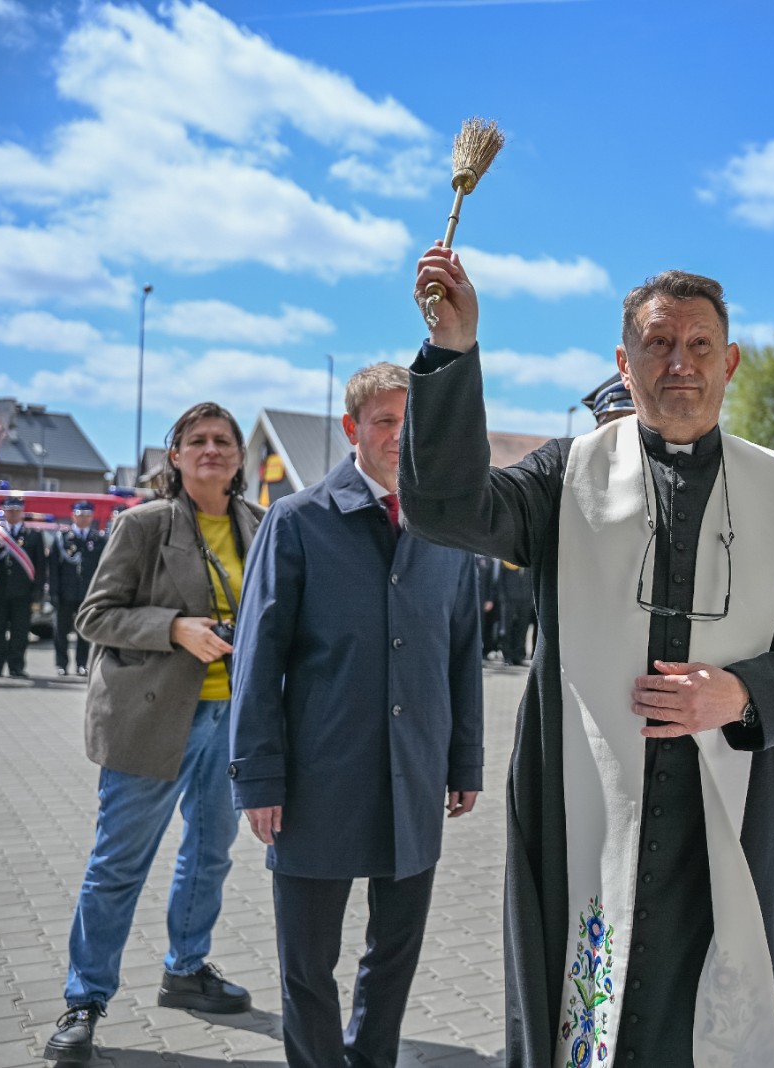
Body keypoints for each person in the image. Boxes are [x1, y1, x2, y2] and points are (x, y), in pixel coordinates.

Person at [401, 251, 774, 1068]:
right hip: (585, 801)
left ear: (730, 361)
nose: (679, 362)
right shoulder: (565, 474)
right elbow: (445, 508)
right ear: (625, 361)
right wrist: (452, 351)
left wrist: (744, 693)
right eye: (658, 344)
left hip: (727, 813)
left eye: (699, 344)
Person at [228, 362, 483, 1068]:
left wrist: (464, 761)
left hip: (414, 774)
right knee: (309, 963)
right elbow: (257, 661)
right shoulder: (296, 522)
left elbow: (463, 653)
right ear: (352, 429)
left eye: (413, 421)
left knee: (394, 952)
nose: (401, 435)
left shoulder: (448, 532)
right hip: (317, 779)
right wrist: (258, 778)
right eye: (385, 421)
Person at [46, 404, 261, 1062]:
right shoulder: (143, 524)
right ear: (175, 456)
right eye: (196, 440)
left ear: (239, 456)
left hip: (233, 721)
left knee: (211, 853)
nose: (210, 448)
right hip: (152, 717)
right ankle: (84, 1000)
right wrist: (174, 628)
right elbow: (94, 615)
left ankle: (186, 969)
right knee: (118, 865)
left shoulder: (261, 524)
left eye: (222, 440)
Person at [0, 495, 45, 679]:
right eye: (10, 510)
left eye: (16, 510)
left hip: (22, 592)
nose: (13, 513)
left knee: (20, 631)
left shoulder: (33, 535)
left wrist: (37, 592)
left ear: (22, 512)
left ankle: (16, 666)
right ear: (4, 511)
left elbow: (40, 566)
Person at [49, 501, 105, 677]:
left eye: (87, 515)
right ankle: (61, 664)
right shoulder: (63, 538)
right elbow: (53, 568)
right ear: (73, 516)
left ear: (92, 517)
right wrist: (53, 592)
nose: (84, 518)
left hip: (88, 594)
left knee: (84, 631)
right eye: (80, 515)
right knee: (61, 631)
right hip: (65, 593)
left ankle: (82, 664)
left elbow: (102, 568)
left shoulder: (98, 539)